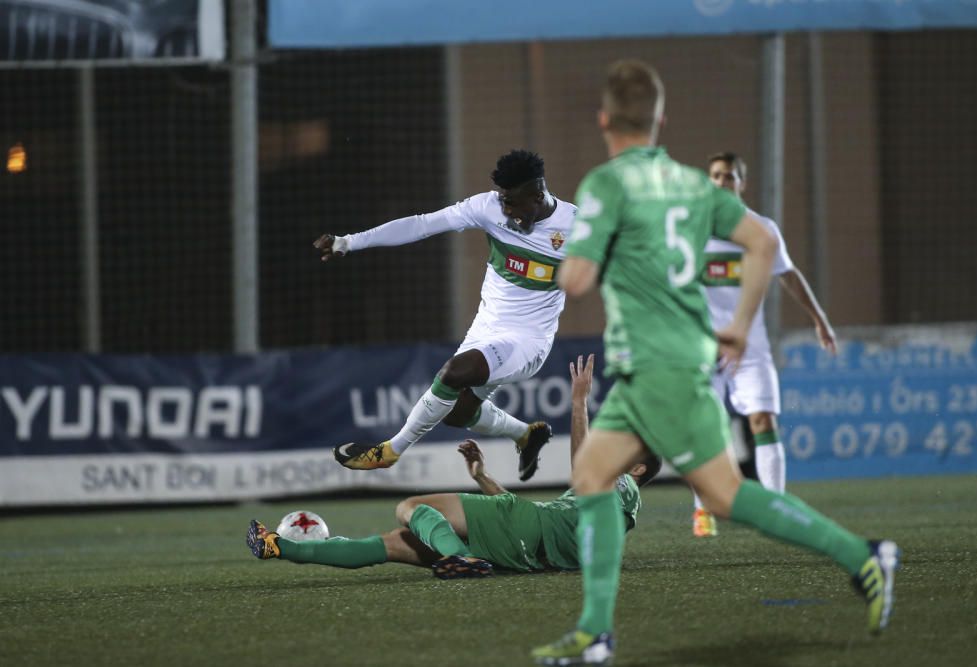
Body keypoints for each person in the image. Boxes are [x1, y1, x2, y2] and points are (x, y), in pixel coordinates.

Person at [531, 60, 898, 666]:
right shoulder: (694, 185)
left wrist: (574, 245)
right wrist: (740, 321)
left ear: (603, 121)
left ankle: (863, 556)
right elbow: (762, 243)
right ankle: (595, 632)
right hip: (674, 360)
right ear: (660, 121)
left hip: (661, 364)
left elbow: (576, 279)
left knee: (714, 494)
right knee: (601, 477)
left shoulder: (605, 185)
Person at [246, 354, 660, 577]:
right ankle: (280, 547)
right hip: (521, 552)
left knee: (410, 508)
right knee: (390, 544)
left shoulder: (624, 488)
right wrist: (483, 479)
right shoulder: (605, 506)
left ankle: (459, 557)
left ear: (638, 470)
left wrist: (578, 404)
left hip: (522, 535)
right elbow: (546, 518)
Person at [312, 150, 574, 482]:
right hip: (485, 329)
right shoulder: (488, 207)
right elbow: (423, 224)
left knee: (454, 372)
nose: (507, 211)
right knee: (458, 414)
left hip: (528, 340)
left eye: (514, 203)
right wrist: (349, 242)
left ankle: (390, 451)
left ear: (538, 195)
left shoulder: (577, 229)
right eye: (504, 201)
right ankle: (526, 435)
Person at [692, 151, 839, 538]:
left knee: (763, 421)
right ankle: (702, 508)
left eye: (730, 177)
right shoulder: (690, 229)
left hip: (750, 345)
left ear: (743, 183)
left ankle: (777, 511)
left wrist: (819, 320)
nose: (722, 182)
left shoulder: (761, 229)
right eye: (716, 176)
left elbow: (788, 276)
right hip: (702, 346)